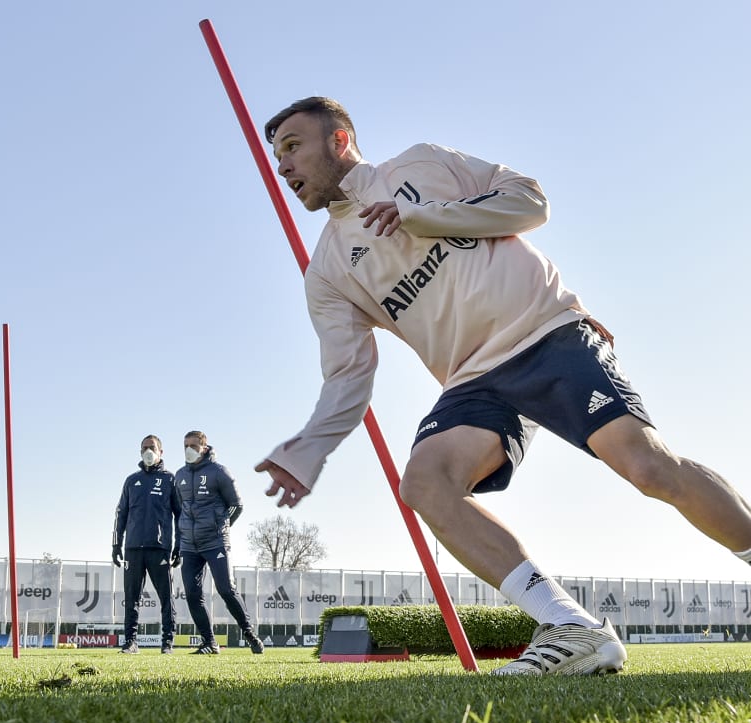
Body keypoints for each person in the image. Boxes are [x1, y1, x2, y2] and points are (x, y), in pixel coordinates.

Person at [255, 96, 751, 675]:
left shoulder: (422, 164)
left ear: (340, 141)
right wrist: (308, 448)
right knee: (424, 482)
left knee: (648, 469)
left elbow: (530, 201)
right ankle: (572, 627)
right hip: (472, 379)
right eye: (276, 157)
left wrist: (427, 215)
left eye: (293, 147)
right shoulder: (328, 272)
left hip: (545, 331)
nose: (283, 167)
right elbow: (347, 375)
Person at [174, 430, 264, 655]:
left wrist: (221, 527)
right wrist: (182, 537)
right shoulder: (180, 475)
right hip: (189, 546)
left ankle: (249, 633)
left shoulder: (219, 472)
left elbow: (236, 505)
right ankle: (209, 642)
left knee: (226, 589)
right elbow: (181, 509)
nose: (189, 449)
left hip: (215, 543)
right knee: (193, 595)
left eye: (193, 445)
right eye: (186, 445)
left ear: (204, 447)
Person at [112, 434, 181, 654]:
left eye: (152, 448)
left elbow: (181, 516)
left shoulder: (170, 480)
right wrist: (116, 545)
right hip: (132, 549)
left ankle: (167, 643)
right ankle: (130, 642)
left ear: (161, 452)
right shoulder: (131, 480)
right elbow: (120, 514)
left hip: (159, 548)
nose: (147, 451)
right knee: (131, 598)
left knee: (166, 598)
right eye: (144, 448)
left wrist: (179, 546)